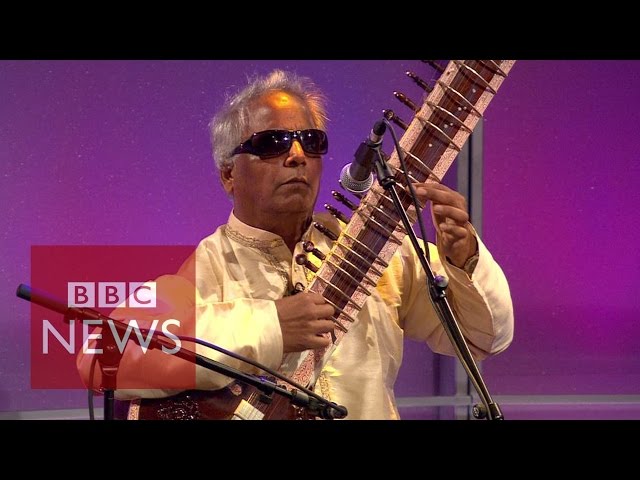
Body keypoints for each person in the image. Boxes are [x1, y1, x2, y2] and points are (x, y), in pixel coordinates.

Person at [77, 69, 514, 420]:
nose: (297, 155)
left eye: (311, 141)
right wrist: (269, 327)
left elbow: (485, 338)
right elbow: (100, 357)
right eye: (273, 143)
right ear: (229, 175)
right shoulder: (206, 270)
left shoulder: (380, 250)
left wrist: (464, 260)